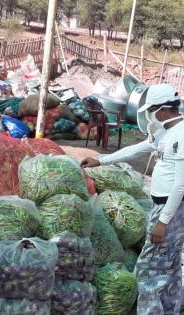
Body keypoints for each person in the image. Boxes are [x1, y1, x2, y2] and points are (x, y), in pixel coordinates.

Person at [81, 84, 184, 314]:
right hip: (165, 208)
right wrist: (102, 160)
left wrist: (163, 221)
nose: (150, 115)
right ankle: (169, 309)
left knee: (148, 269)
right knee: (169, 264)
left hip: (170, 209)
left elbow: (180, 185)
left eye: (152, 110)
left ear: (165, 109)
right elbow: (138, 149)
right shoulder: (165, 131)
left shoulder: (181, 135)